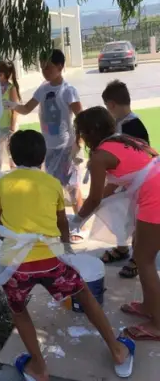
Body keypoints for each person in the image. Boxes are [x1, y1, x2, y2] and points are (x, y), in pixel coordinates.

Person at [0, 130, 134, 381]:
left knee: (19, 311)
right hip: (51, 261)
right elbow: (62, 224)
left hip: (14, 265)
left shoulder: (2, 183)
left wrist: (15, 244)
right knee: (85, 296)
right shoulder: (52, 183)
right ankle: (117, 350)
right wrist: (66, 250)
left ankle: (38, 367)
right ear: (43, 156)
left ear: (12, 157)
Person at [71, 106, 160, 342]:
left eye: (81, 133)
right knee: (140, 252)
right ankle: (149, 305)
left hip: (155, 196)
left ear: (90, 133)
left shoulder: (99, 157)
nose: (81, 138)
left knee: (144, 260)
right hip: (155, 187)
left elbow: (94, 198)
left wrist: (77, 220)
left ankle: (158, 324)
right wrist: (92, 208)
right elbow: (112, 185)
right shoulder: (124, 140)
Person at [4, 49, 84, 242]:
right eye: (42, 67)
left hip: (66, 147)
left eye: (48, 67)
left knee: (72, 187)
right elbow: (26, 109)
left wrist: (79, 143)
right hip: (48, 148)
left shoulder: (68, 91)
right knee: (53, 188)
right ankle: (57, 225)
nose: (44, 71)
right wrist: (12, 105)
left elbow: (81, 118)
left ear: (60, 67)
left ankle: (78, 226)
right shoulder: (43, 89)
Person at [100, 80, 150, 278]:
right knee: (123, 216)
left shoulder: (132, 127)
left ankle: (137, 257)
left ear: (111, 104)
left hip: (138, 183)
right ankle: (122, 248)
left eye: (107, 107)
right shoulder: (122, 124)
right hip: (126, 181)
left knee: (137, 220)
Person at [0, 60, 21, 170]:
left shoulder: (11, 89)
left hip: (8, 126)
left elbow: (15, 109)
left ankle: (14, 172)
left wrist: (12, 127)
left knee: (12, 155)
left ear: (3, 74)